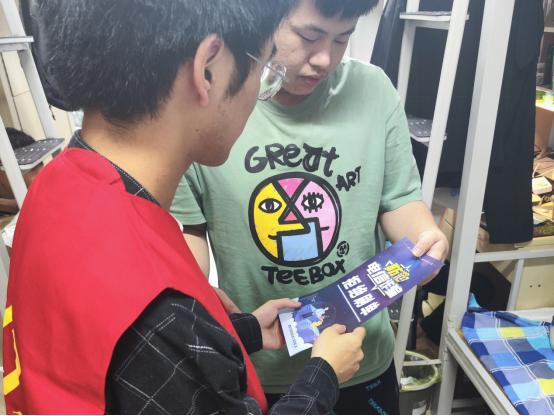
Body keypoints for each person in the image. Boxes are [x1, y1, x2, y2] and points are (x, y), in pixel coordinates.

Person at [3, 1, 367, 415]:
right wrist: (322, 376)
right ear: (207, 69)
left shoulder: (56, 183)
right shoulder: (161, 310)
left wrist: (240, 331)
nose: (261, 91)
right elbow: (161, 342)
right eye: (265, 68)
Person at [171, 0, 450, 414]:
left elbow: (399, 198)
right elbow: (188, 226)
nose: (323, 59)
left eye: (342, 39)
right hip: (259, 355)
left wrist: (426, 241)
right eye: (308, 36)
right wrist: (195, 300)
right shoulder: (214, 101)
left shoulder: (373, 90)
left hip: (359, 351)